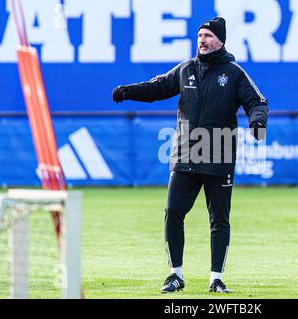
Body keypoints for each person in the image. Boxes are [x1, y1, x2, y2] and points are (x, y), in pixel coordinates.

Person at [112, 17, 268, 293]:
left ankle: (216, 278)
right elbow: (156, 88)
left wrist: (257, 121)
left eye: (208, 36)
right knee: (173, 211)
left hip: (219, 154)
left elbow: (256, 101)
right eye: (199, 36)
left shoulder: (233, 73)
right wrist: (128, 91)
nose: (202, 41)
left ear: (220, 40)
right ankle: (175, 275)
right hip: (185, 155)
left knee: (219, 220)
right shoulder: (186, 70)